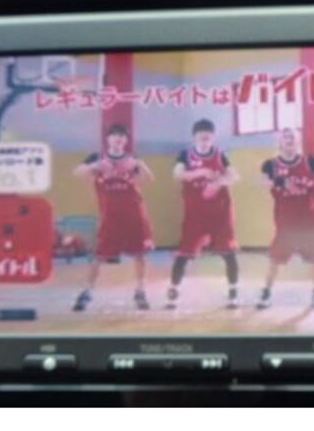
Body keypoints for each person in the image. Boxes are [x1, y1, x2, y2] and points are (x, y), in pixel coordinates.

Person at [71, 123, 155, 311]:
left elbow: (149, 179)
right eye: (115, 136)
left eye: (122, 136)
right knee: (100, 255)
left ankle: (140, 290)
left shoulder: (132, 159)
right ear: (108, 139)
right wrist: (95, 166)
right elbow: (77, 173)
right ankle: (87, 291)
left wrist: (140, 165)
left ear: (126, 141)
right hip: (110, 215)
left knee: (140, 254)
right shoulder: (97, 158)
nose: (118, 139)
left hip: (134, 213)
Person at [257, 128, 314, 310]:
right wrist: (281, 182)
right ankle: (266, 292)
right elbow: (262, 182)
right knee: (275, 259)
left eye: (292, 136)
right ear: (279, 142)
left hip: (309, 219)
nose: (289, 139)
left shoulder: (309, 161)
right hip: (286, 222)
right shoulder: (270, 165)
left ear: (298, 141)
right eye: (285, 137)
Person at [167, 118, 241, 309]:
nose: (205, 141)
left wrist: (217, 183)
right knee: (184, 253)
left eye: (208, 138)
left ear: (213, 138)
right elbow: (177, 174)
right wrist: (200, 172)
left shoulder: (220, 155)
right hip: (195, 213)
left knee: (228, 252)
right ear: (195, 138)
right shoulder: (186, 155)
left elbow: (234, 176)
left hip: (219, 212)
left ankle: (233, 292)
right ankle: (174, 290)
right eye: (201, 138)